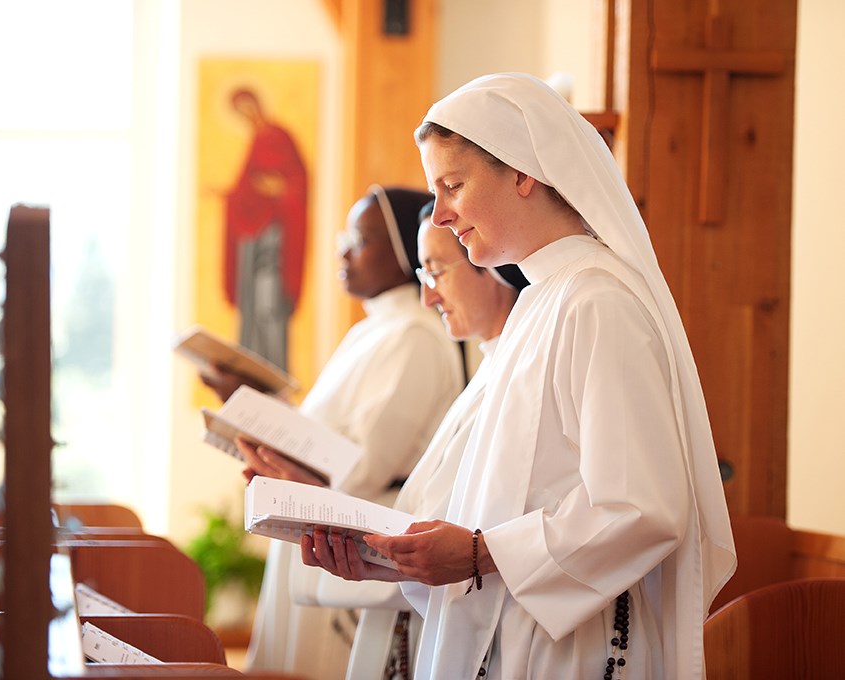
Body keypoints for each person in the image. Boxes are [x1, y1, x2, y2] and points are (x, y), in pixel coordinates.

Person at [301, 73, 737, 679]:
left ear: (523, 172)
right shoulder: (541, 301)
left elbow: (642, 507)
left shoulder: (596, 301)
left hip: (570, 649)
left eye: (453, 185)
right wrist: (397, 562)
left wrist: (481, 554)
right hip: (507, 632)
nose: (444, 214)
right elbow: (502, 496)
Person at [291, 199, 527, 679]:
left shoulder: (520, 375)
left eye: (436, 271)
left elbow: (481, 542)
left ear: (496, 266)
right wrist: (374, 561)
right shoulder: (490, 369)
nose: (428, 297)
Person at [238, 185, 465, 678]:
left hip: (358, 538)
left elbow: (363, 465)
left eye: (360, 240)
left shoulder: (413, 337)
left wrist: (292, 468)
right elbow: (324, 435)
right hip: (322, 522)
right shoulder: (373, 329)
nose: (343, 250)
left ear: (404, 253)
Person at [224, 87, 307, 369]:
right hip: (253, 235)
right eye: (240, 112)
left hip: (274, 235)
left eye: (247, 107)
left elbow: (297, 180)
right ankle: (250, 370)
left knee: (268, 304)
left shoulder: (277, 136)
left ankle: (273, 373)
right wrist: (228, 196)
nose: (246, 115)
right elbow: (246, 188)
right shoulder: (256, 141)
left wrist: (279, 188)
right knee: (252, 305)